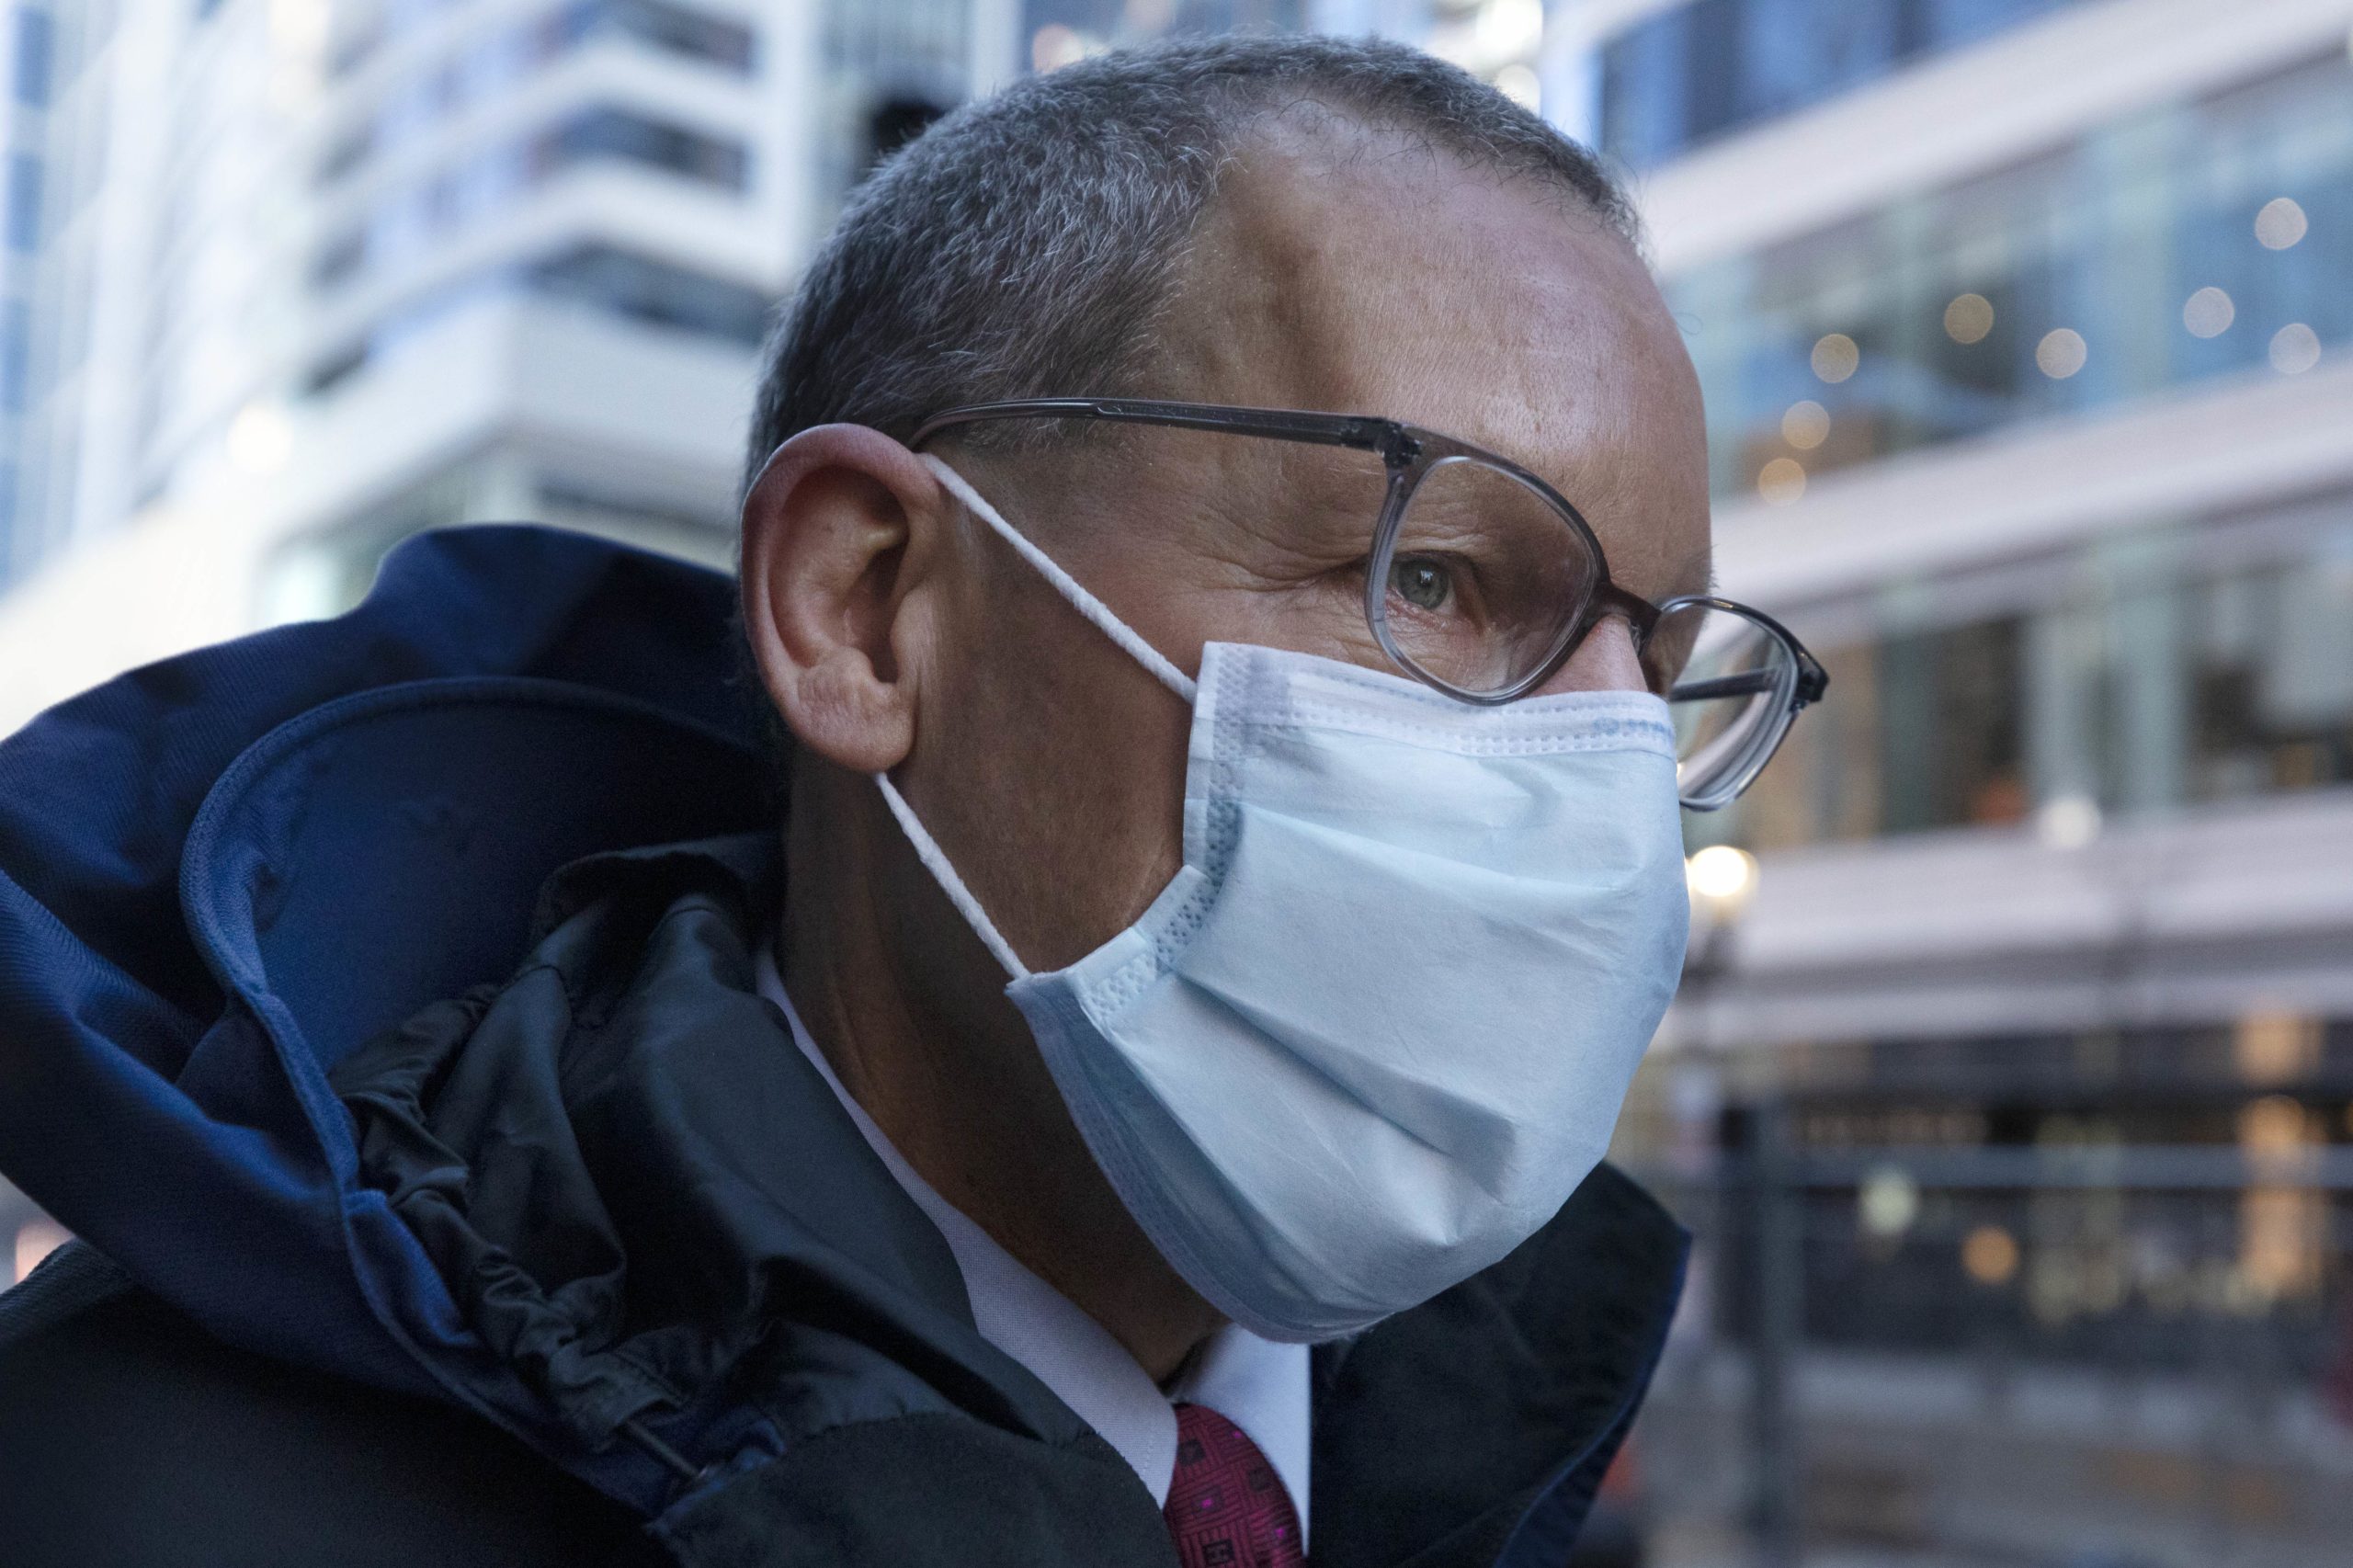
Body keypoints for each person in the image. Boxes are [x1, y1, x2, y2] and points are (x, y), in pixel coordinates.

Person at [0, 34, 1822, 1568]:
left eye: (1654, 667)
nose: (1600, 778)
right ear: (864, 610)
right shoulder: (128, 1486)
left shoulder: (1473, 1462)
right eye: (1433, 577)